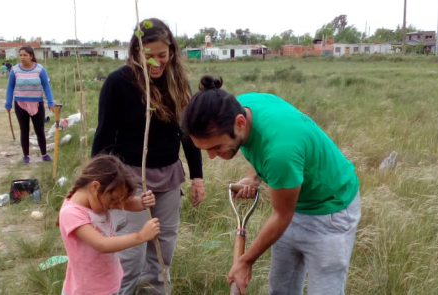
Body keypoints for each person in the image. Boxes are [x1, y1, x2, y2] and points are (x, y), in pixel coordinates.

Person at [181, 76, 362, 295]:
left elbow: (281, 215)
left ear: (239, 123)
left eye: (217, 147)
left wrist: (245, 261)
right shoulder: (241, 107)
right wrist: (254, 177)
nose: (211, 157)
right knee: (281, 288)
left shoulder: (280, 152)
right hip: (293, 203)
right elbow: (262, 146)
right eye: (205, 150)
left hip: (330, 211)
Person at [91, 18, 205, 295]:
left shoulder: (177, 82)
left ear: (172, 52)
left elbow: (187, 134)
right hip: (129, 179)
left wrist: (197, 177)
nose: (156, 62)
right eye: (148, 55)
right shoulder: (118, 83)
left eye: (162, 55)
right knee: (130, 255)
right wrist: (98, 184)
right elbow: (104, 136)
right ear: (135, 52)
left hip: (169, 177)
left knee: (162, 251)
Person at [59, 154, 160, 295]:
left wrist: (143, 202)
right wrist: (141, 236)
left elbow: (125, 203)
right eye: (113, 200)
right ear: (95, 186)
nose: (116, 206)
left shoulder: (97, 200)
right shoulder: (72, 213)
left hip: (107, 283)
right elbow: (101, 244)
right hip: (87, 290)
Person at [5, 45, 55, 164]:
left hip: (37, 104)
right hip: (20, 104)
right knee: (24, 130)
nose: (22, 57)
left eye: (25, 55)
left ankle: (44, 154)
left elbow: (46, 86)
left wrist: (51, 102)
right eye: (20, 55)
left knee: (40, 130)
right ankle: (26, 155)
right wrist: (8, 103)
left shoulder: (40, 69)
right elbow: (10, 87)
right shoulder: (15, 70)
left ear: (31, 56)